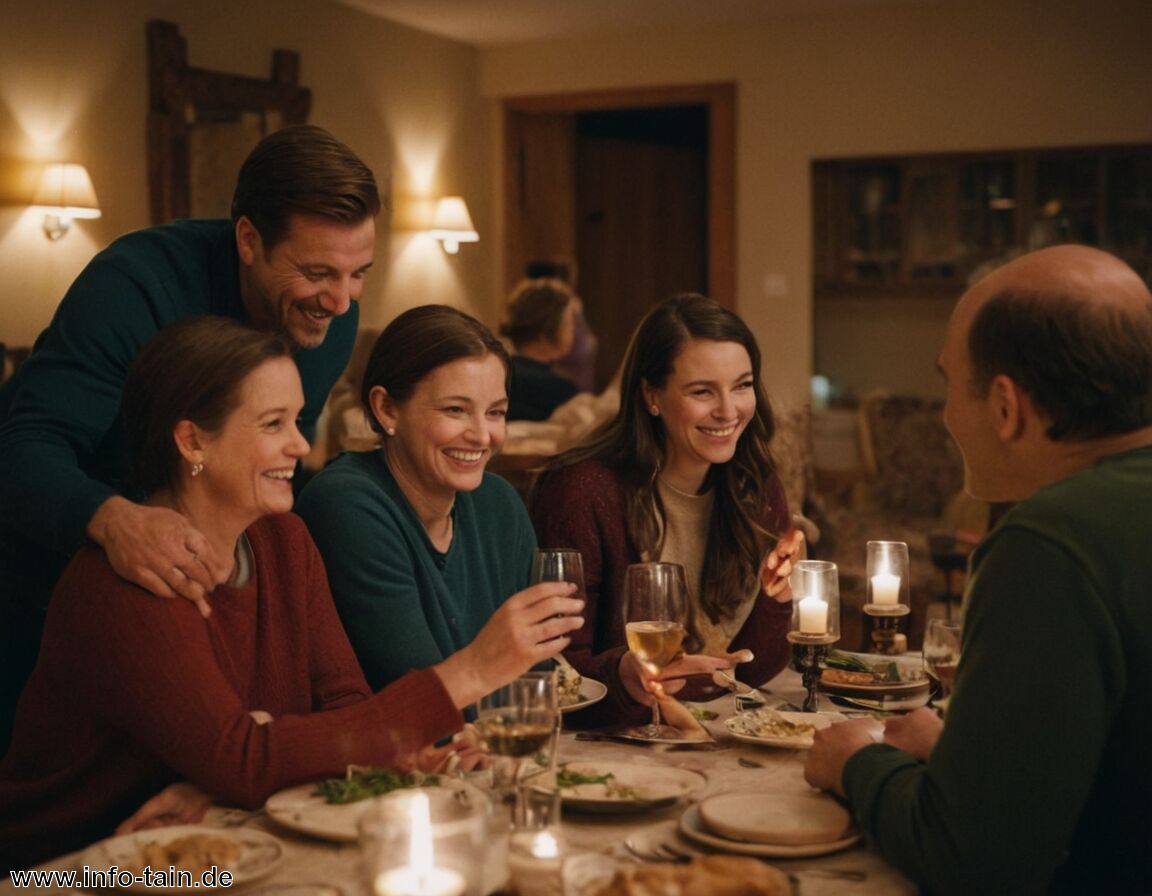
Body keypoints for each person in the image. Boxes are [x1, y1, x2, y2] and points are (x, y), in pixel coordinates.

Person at [0, 318, 577, 871]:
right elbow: (244, 757)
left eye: (298, 421)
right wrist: (471, 672)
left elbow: (344, 705)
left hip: (217, 844)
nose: (301, 446)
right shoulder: (131, 579)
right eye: (274, 424)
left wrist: (374, 747)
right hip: (70, 870)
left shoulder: (283, 541)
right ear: (193, 440)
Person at [0, 125, 380, 754]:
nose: (340, 301)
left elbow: (271, 469)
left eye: (359, 273)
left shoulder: (328, 317)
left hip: (195, 581)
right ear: (249, 240)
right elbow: (23, 447)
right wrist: (115, 522)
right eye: (317, 272)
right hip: (44, 563)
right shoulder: (132, 285)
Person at [804, 245, 1152, 894]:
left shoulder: (1050, 544)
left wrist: (858, 761)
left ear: (1004, 407)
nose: (944, 416)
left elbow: (973, 861)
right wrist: (966, 754)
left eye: (947, 383)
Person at [530, 294, 805, 726]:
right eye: (702, 391)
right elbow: (557, 673)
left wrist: (778, 596)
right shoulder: (581, 492)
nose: (728, 411)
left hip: (713, 730)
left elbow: (750, 670)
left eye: (742, 385)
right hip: (610, 741)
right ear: (651, 395)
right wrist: (625, 676)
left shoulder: (754, 485)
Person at [295, 305, 585, 691]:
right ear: (386, 409)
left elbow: (539, 675)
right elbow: (415, 700)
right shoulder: (346, 504)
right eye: (455, 410)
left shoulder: (500, 505)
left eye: (496, 413)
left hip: (497, 747)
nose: (482, 436)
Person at [500, 277, 581, 421]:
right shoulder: (561, 391)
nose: (574, 331)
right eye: (570, 323)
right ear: (547, 331)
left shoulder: (496, 372)